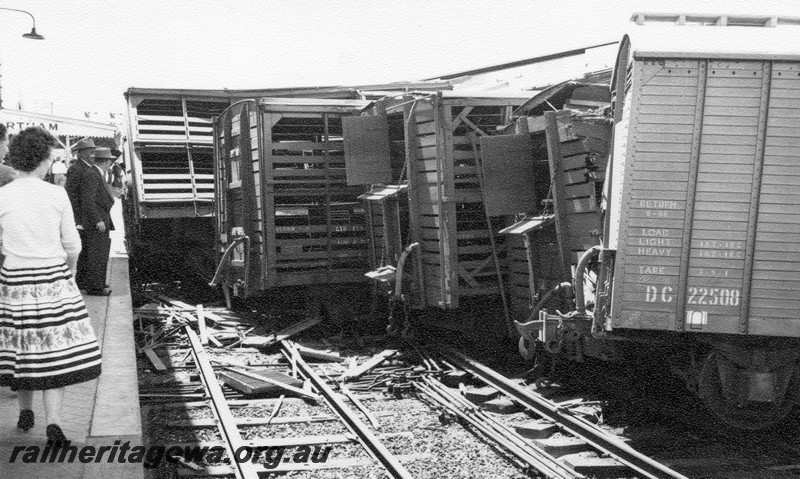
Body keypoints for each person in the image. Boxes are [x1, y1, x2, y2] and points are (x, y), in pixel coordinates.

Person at [0, 127, 102, 445]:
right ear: (45, 160)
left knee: (24, 348)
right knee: (53, 352)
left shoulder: (2, 195)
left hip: (14, 282)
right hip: (52, 281)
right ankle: (54, 422)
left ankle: (25, 413)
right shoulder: (55, 194)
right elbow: (72, 245)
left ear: (16, 160)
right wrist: (69, 273)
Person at [77, 147, 116, 296]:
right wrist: (97, 220)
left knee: (96, 254)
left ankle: (96, 282)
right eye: (109, 161)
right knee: (96, 255)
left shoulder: (94, 173)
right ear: (106, 162)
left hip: (100, 220)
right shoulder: (93, 175)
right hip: (97, 223)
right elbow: (88, 201)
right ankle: (95, 287)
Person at [65, 138, 97, 291]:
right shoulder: (76, 169)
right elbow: (71, 196)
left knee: (86, 249)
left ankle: (83, 281)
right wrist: (77, 219)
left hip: (85, 217)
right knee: (81, 250)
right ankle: (80, 282)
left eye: (93, 151)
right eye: (90, 152)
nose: (93, 154)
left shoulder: (86, 167)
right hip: (80, 218)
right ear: (82, 153)